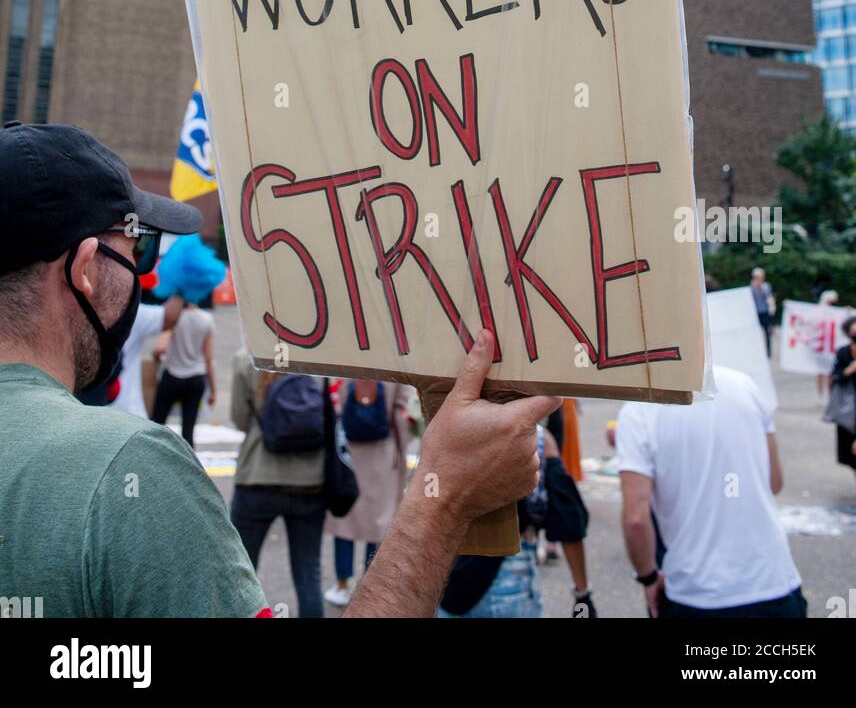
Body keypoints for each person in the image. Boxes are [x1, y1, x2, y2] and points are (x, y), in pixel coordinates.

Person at [0, 121, 558, 618]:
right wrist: (444, 499)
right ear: (85, 270)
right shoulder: (128, 470)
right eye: (138, 253)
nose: (146, 276)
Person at [617, 365, 805, 619]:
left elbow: (635, 520)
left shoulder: (639, 409)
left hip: (695, 593)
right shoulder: (745, 385)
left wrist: (648, 578)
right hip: (773, 582)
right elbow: (775, 481)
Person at [438, 424, 594, 618]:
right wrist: (582, 593)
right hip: (509, 582)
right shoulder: (536, 440)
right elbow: (569, 523)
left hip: (448, 583)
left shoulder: (445, 431)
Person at [230, 355, 328, 617]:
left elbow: (239, 418)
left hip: (257, 477)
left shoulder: (246, 356)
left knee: (242, 570)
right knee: (308, 573)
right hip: (309, 480)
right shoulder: (323, 357)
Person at [324, 378, 412, 606]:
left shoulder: (343, 355)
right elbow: (405, 412)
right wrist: (401, 446)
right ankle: (369, 585)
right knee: (378, 523)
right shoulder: (395, 360)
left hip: (347, 452)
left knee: (345, 520)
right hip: (382, 452)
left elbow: (331, 400)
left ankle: (343, 584)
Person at [151, 299, 216, 445]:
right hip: (196, 377)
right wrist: (213, 390)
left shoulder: (174, 318)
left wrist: (156, 359)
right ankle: (188, 464)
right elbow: (209, 359)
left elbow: (160, 348)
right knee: (188, 429)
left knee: (157, 423)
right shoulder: (206, 319)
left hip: (172, 374)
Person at [112, 295, 183, 417]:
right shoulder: (132, 311)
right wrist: (182, 286)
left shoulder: (132, 312)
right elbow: (169, 317)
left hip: (93, 412)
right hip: (127, 411)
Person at [831, 316, 856, 497]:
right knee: (852, 444)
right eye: (854, 332)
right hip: (849, 407)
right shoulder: (843, 353)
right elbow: (835, 376)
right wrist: (849, 370)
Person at [749, 267, 776, 356]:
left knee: (767, 331)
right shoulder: (751, 286)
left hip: (764, 311)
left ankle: (768, 352)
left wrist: (759, 287)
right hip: (755, 312)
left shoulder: (766, 286)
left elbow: (768, 295)